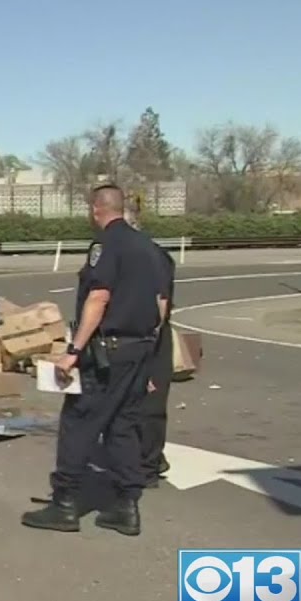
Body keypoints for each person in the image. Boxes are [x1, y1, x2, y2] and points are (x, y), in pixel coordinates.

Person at [20, 183, 166, 537]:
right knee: (123, 425)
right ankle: (126, 506)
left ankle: (65, 504)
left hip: (107, 351)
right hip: (141, 347)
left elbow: (98, 298)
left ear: (97, 209)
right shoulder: (150, 248)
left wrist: (73, 352)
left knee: (79, 421)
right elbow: (162, 304)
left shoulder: (106, 246)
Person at [125, 203, 176, 488]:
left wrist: (149, 354)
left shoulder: (152, 257)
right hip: (137, 338)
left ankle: (148, 464)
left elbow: (161, 305)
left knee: (149, 405)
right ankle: (147, 460)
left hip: (149, 339)